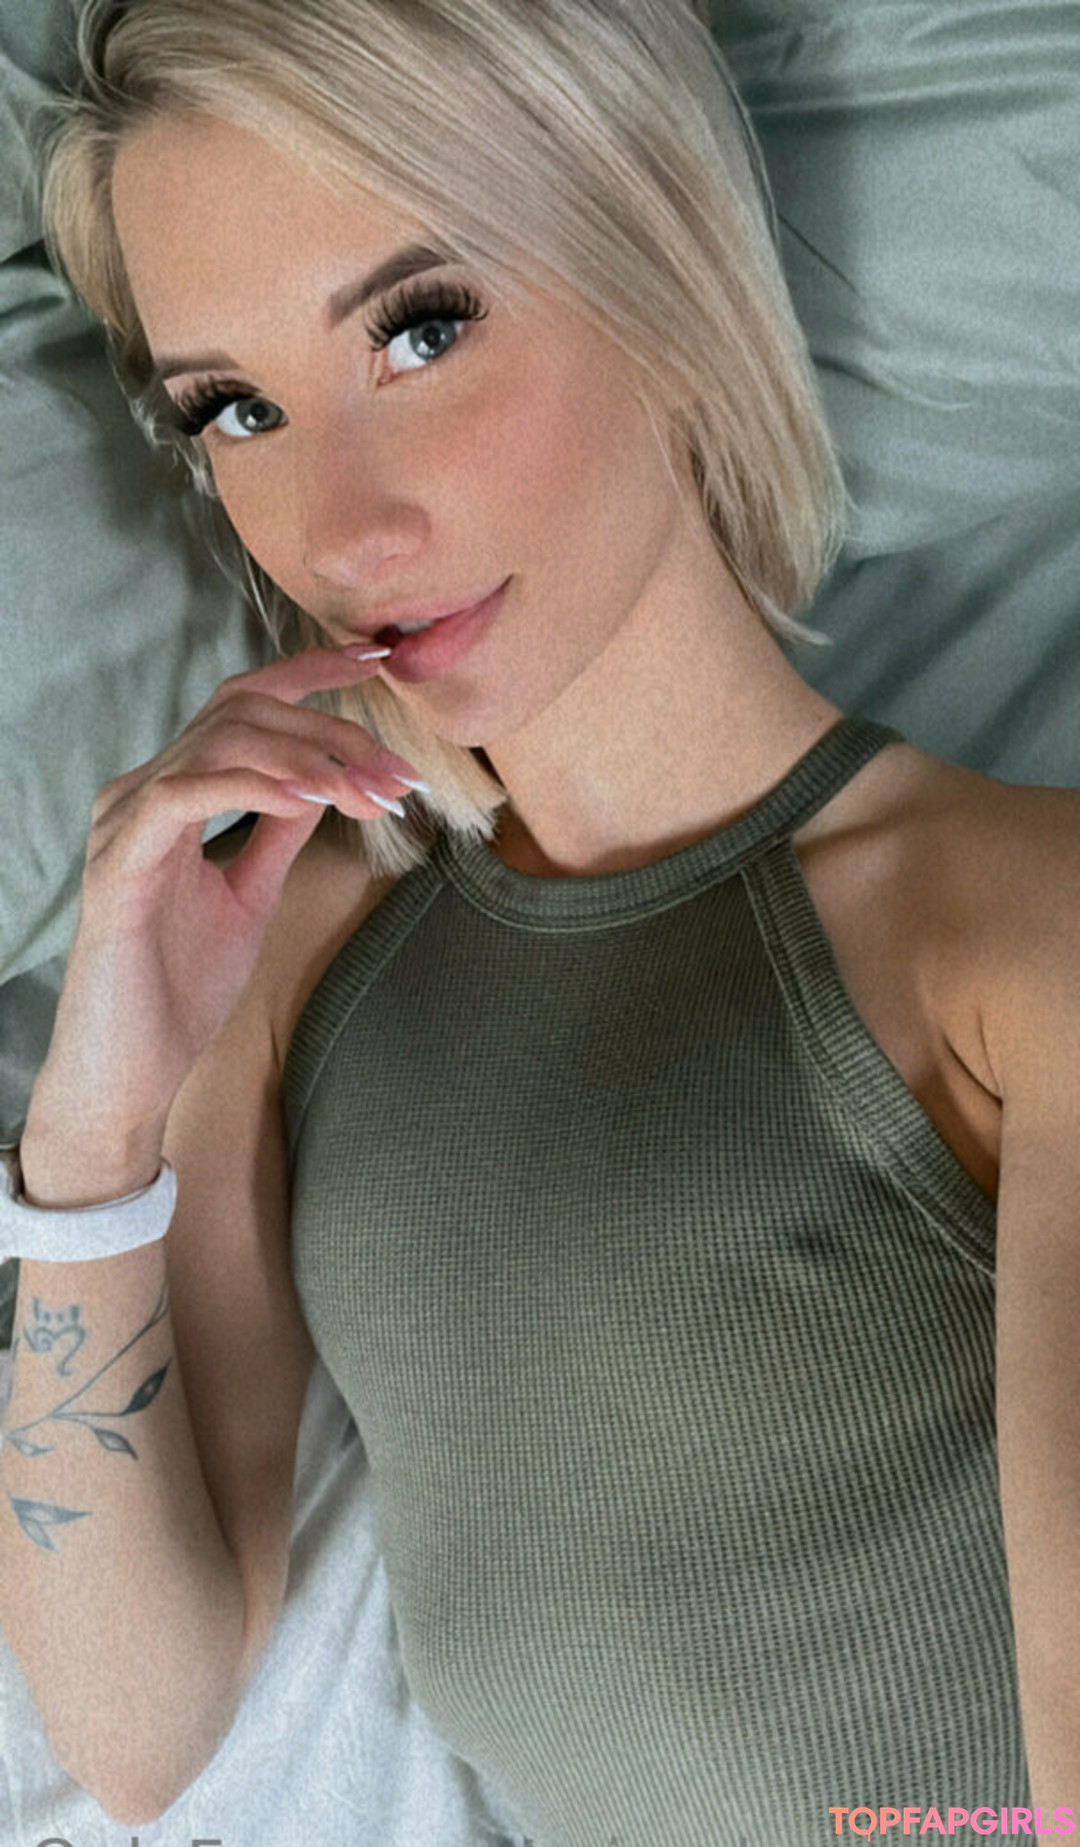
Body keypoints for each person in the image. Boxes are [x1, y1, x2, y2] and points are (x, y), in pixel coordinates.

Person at [0, 0, 1077, 1839]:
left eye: (422, 329)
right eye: (236, 409)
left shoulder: (1021, 930)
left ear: (655, 257)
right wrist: (92, 1136)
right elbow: (139, 1723)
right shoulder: (288, 952)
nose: (345, 527)